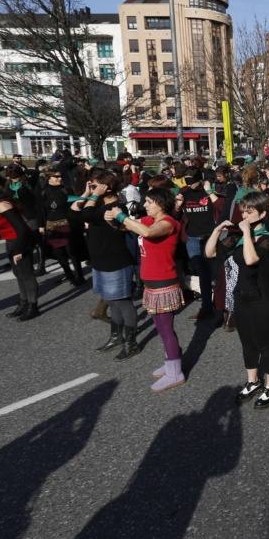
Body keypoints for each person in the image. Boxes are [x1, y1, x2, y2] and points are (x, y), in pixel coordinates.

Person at [207, 191, 269, 408]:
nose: (244, 216)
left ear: (262, 213)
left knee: (265, 344)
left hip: (263, 299)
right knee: (247, 343)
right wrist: (216, 230)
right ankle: (252, 381)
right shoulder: (238, 237)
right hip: (241, 296)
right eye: (243, 211)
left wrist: (247, 233)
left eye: (250, 212)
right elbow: (210, 253)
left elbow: (251, 259)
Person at [106, 188, 186, 392]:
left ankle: (176, 372)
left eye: (150, 201)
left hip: (164, 281)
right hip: (150, 281)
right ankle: (171, 361)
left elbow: (147, 233)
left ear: (161, 203)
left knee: (166, 328)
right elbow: (127, 228)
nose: (146, 205)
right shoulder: (149, 220)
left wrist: (121, 215)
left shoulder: (168, 223)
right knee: (160, 326)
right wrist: (110, 218)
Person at [70, 171, 139, 360]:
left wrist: (93, 196)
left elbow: (86, 214)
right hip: (100, 261)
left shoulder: (116, 207)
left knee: (123, 302)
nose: (92, 188)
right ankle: (116, 336)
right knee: (111, 301)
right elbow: (74, 214)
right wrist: (86, 193)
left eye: (95, 185)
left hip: (116, 261)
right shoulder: (99, 204)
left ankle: (131, 343)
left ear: (107, 187)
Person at [0, 177, 41, 321]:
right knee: (18, 274)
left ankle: (33, 306)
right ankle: (23, 303)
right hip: (11, 241)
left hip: (19, 241)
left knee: (26, 275)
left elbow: (22, 229)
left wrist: (19, 250)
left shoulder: (2, 205)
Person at [176, 167, 219, 322]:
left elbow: (221, 207)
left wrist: (210, 192)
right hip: (192, 238)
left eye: (193, 181)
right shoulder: (184, 193)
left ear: (200, 179)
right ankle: (207, 307)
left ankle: (220, 308)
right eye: (187, 181)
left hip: (210, 236)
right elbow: (176, 215)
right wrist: (177, 205)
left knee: (215, 274)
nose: (190, 184)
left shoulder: (209, 192)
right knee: (202, 273)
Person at [37, 168, 85, 286]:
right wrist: (41, 225)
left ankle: (79, 276)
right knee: (59, 254)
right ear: (49, 178)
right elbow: (40, 210)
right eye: (56, 177)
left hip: (66, 223)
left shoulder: (66, 190)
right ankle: (69, 275)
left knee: (71, 252)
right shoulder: (43, 192)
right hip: (52, 225)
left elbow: (75, 205)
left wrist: (80, 220)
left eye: (60, 176)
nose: (59, 178)